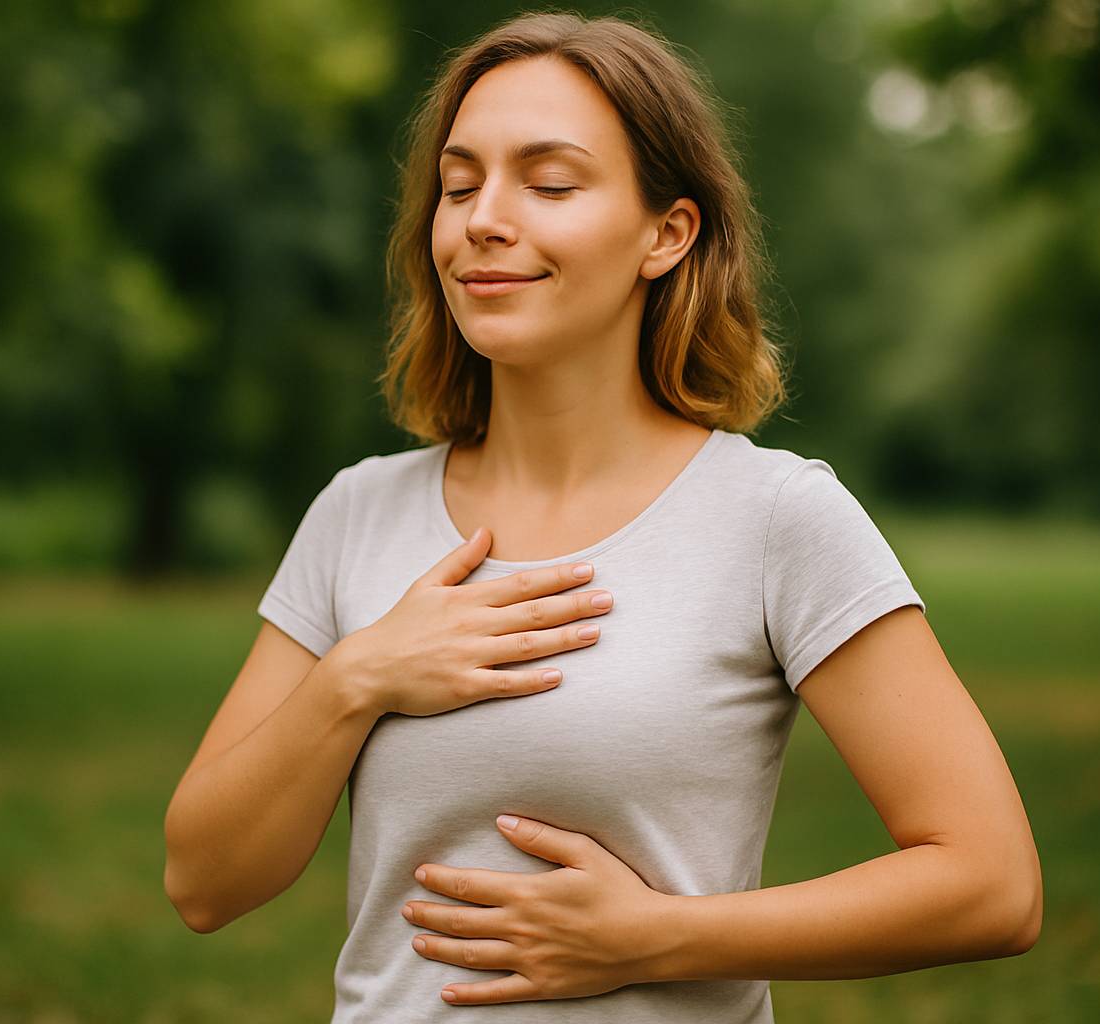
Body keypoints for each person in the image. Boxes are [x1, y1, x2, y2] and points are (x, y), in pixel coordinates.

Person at [164, 10, 1041, 1022]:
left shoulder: (774, 518)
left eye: (548, 183)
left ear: (666, 233)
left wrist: (653, 936)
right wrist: (356, 678)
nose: (484, 218)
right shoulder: (357, 512)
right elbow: (203, 882)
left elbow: (991, 881)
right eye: (459, 185)